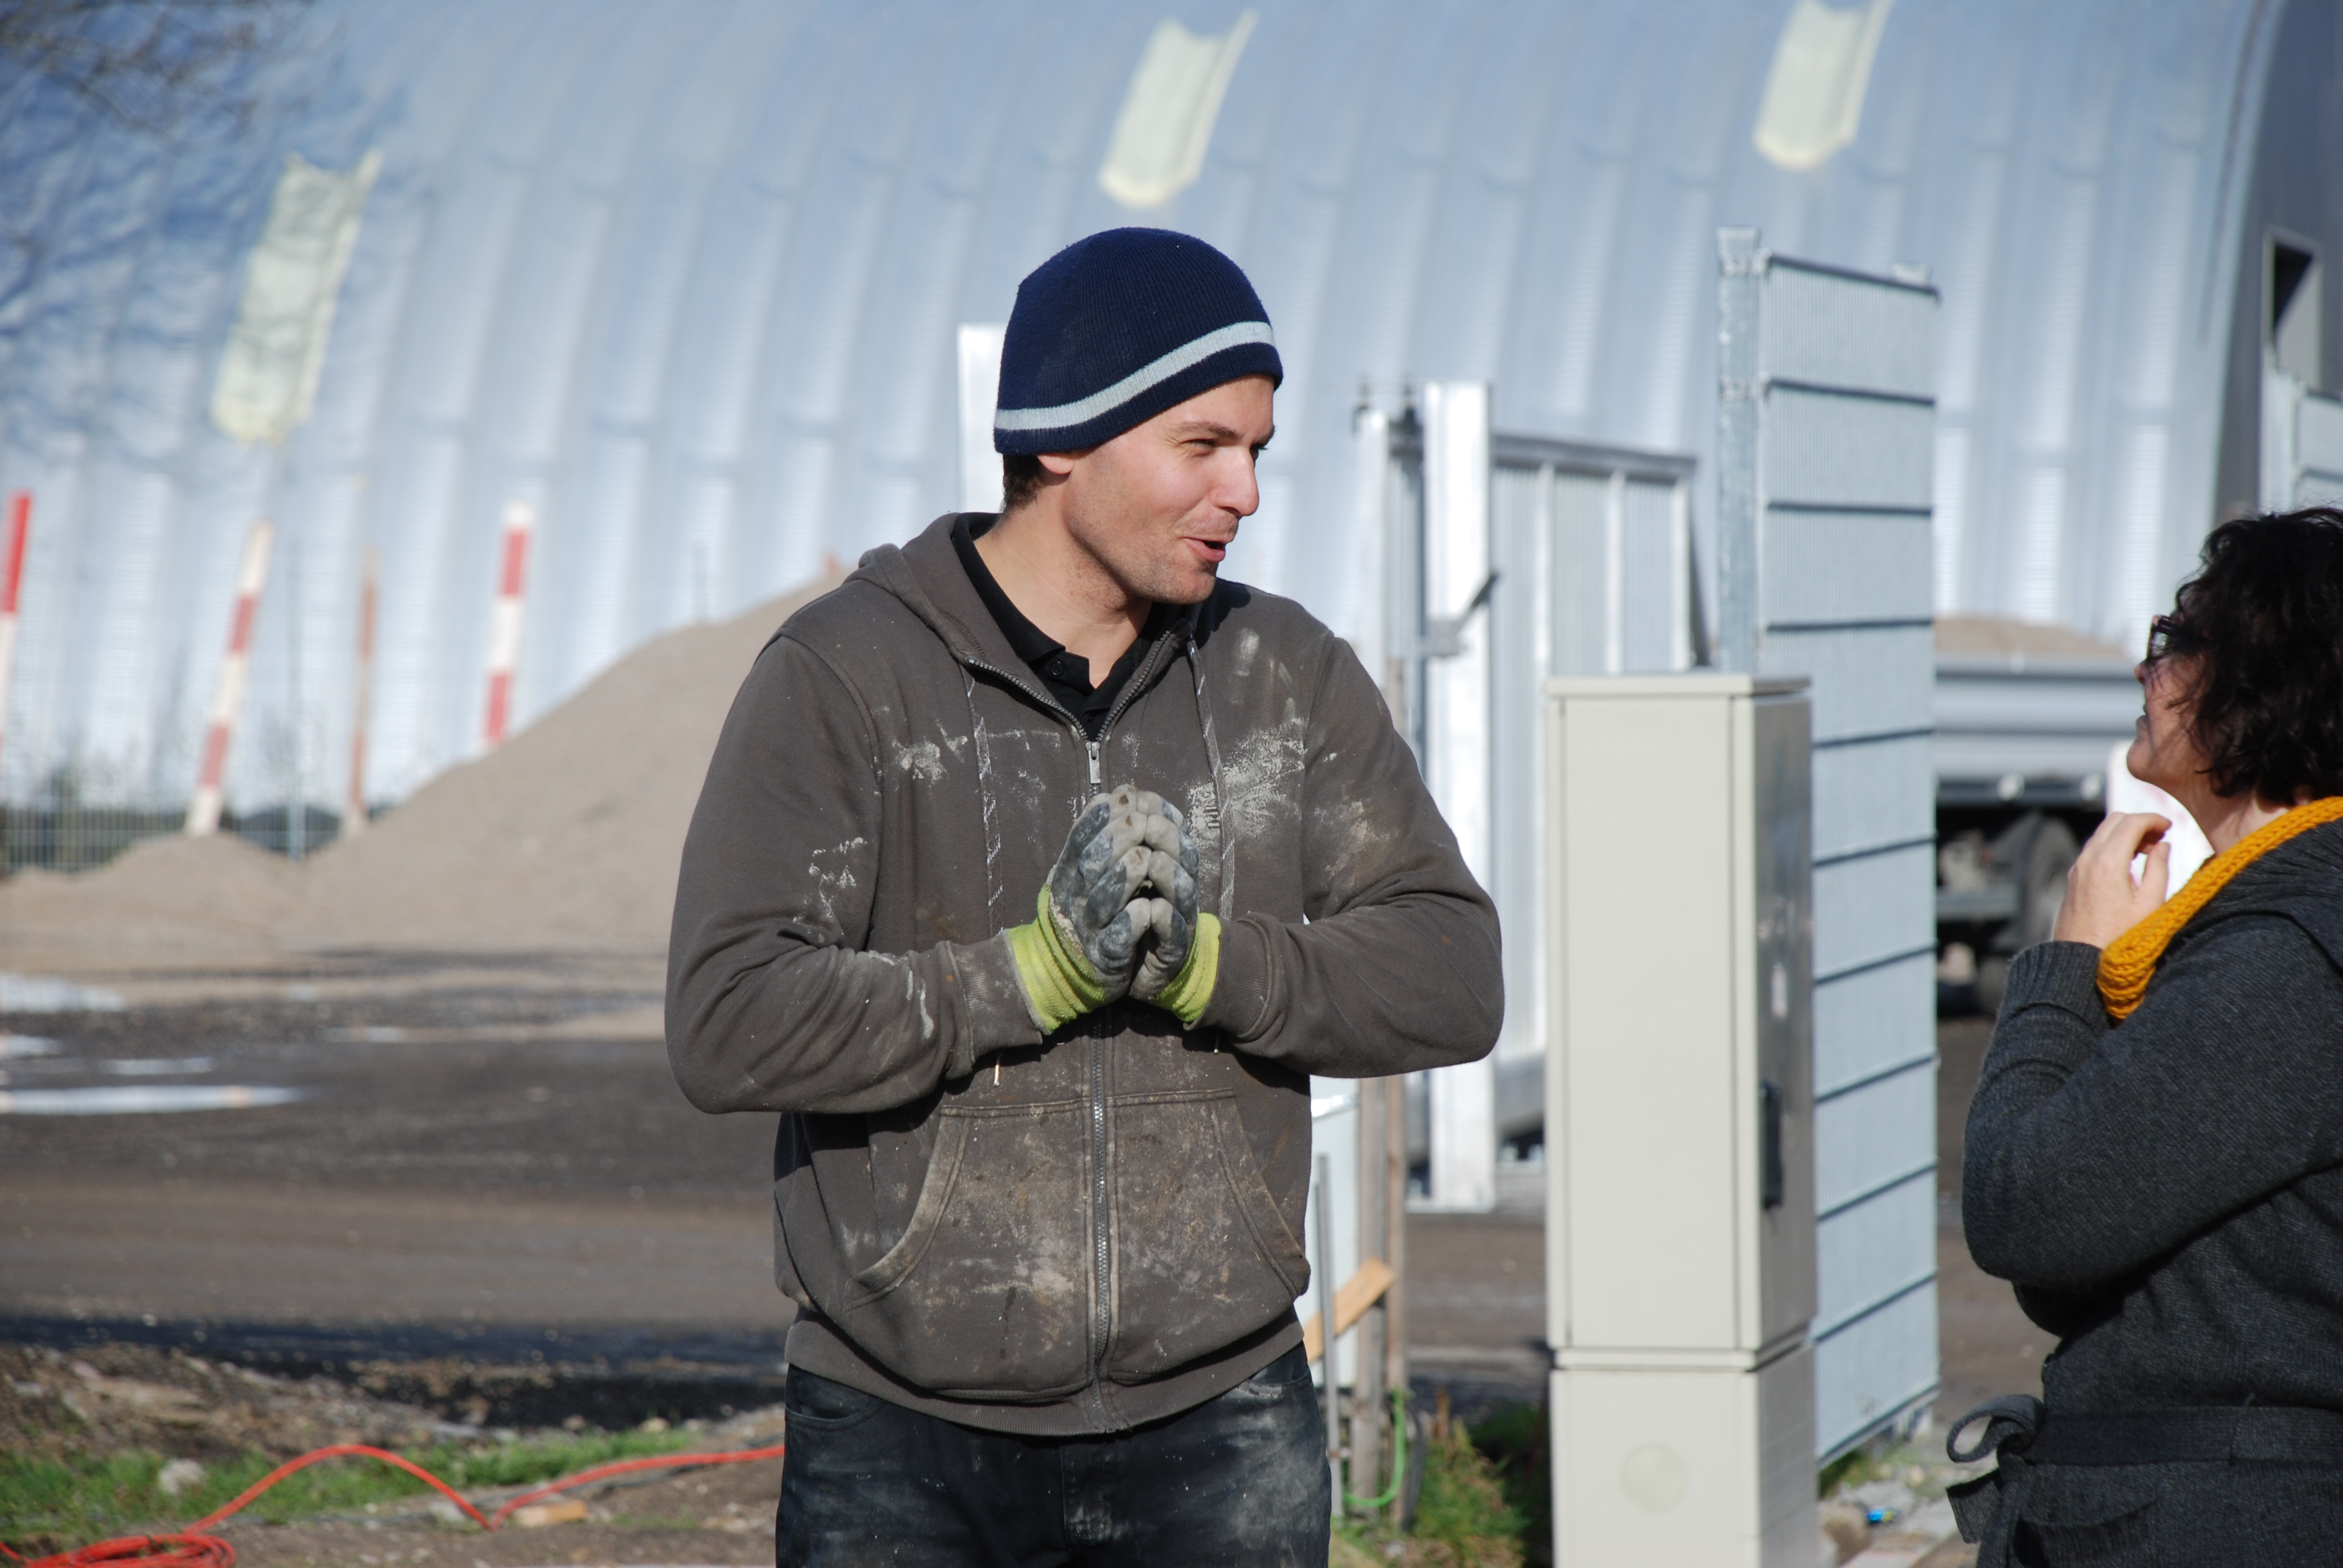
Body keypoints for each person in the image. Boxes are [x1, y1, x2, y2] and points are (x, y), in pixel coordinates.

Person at [666, 227, 1502, 1565]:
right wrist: (1029, 976)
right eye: (1202, 445)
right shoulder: (849, 674)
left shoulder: (1282, 675)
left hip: (1221, 1423)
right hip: (900, 1441)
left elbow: (1453, 975)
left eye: (1257, 450)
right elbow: (730, 1021)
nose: (1245, 491)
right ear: (1064, 440)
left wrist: (1213, 967)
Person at [1951, 507, 2343, 1566]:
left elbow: (2025, 1211)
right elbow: (2079, 1258)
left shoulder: (2284, 960)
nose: (2144, 666)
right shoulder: (2286, 927)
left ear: (2270, 679)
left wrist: (2069, 964)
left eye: (2177, 639)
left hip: (2220, 1521)